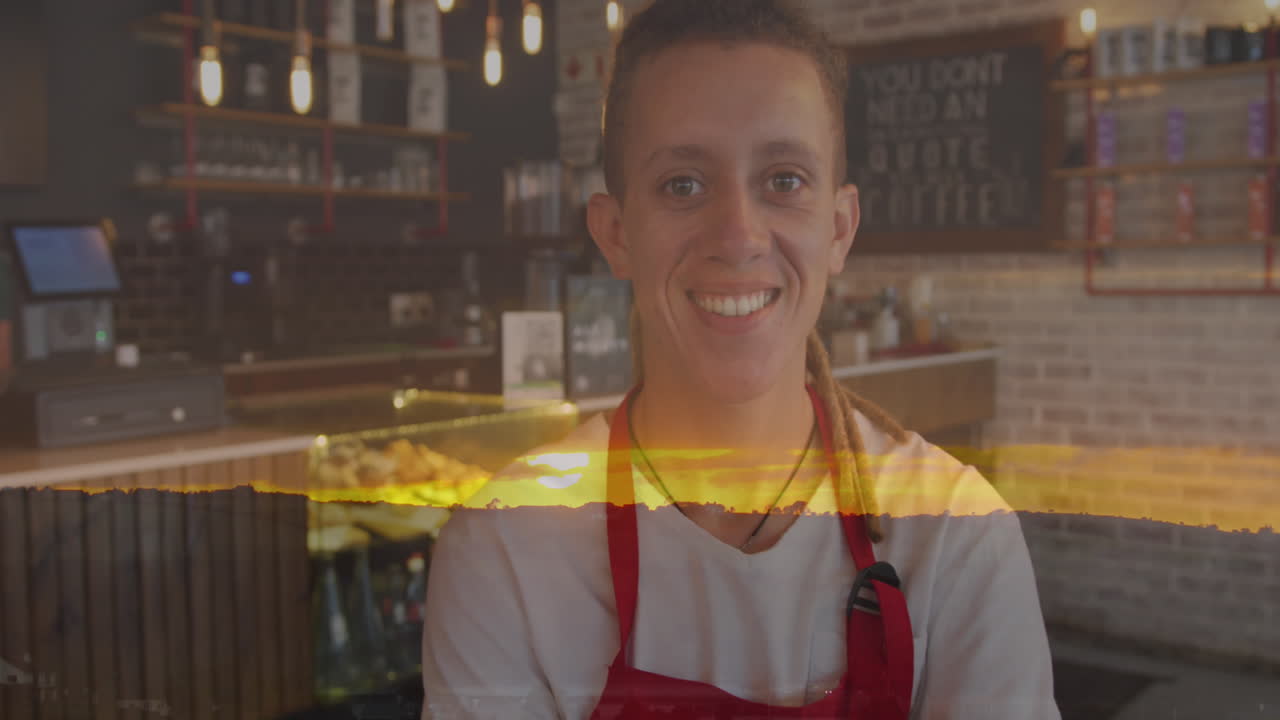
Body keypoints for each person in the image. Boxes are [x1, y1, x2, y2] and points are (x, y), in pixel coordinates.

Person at [422, 1, 1060, 717]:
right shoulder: (506, 551)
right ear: (615, 232)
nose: (738, 234)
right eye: (683, 184)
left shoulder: (955, 536)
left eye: (784, 180)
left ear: (840, 228)